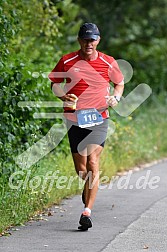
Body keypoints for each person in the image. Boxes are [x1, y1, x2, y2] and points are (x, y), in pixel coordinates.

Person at [48, 23, 124, 231]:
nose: (88, 43)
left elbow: (119, 83)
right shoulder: (67, 60)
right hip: (75, 119)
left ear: (98, 40)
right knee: (81, 170)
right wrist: (63, 95)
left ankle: (86, 212)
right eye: (85, 39)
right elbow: (54, 82)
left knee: (93, 162)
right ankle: (88, 186)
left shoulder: (108, 62)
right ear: (79, 40)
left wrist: (115, 97)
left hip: (99, 117)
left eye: (92, 39)